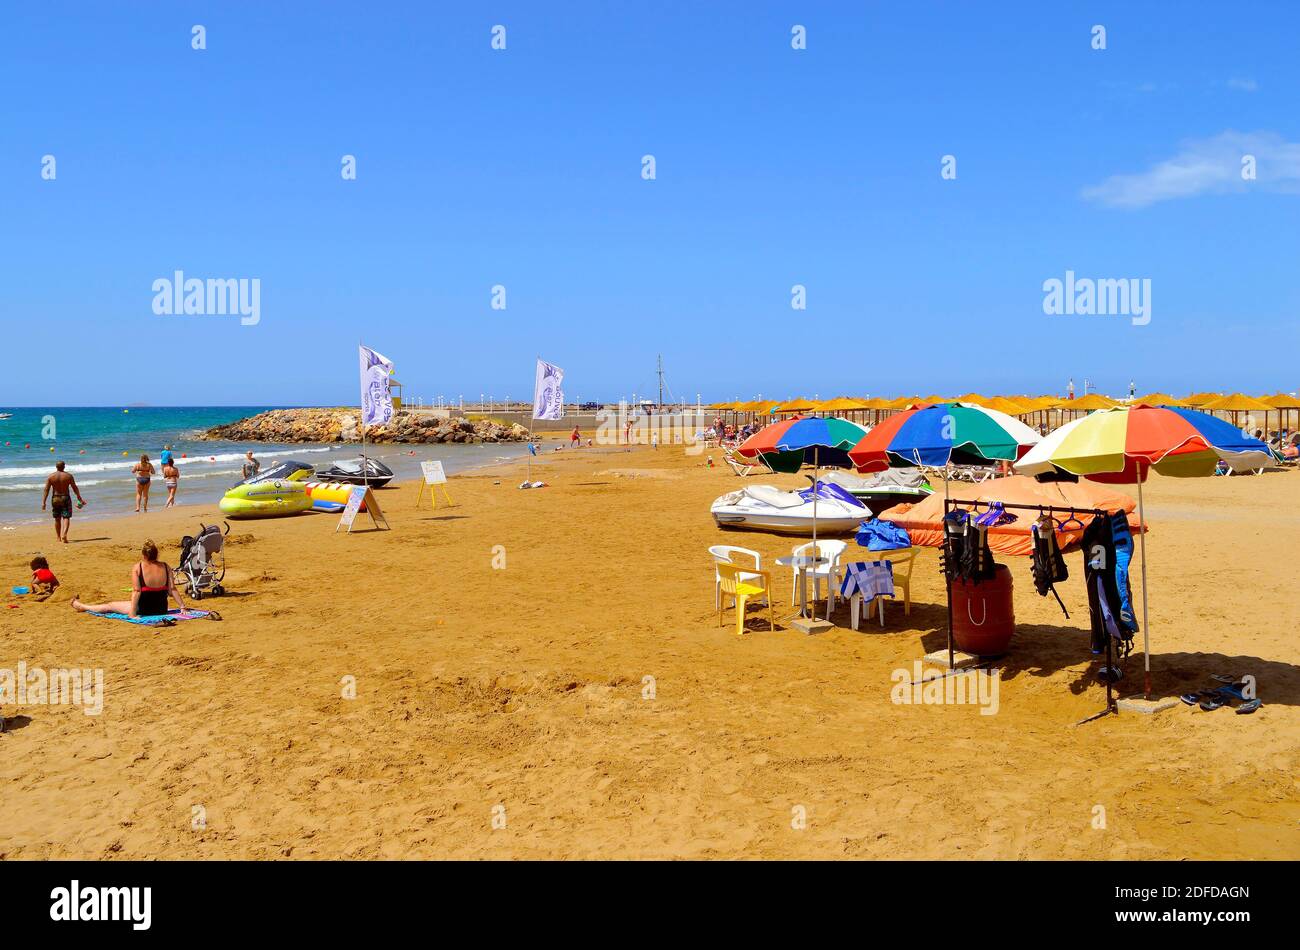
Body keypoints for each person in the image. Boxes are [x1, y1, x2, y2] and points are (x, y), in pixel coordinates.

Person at [71, 539, 188, 619]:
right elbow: (172, 589)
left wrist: (132, 613)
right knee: (116, 605)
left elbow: (136, 592)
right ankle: (83, 606)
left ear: (144, 555)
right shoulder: (166, 566)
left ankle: (83, 607)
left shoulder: (138, 567)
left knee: (110, 606)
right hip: (161, 609)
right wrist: (182, 607)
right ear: (156, 554)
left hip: (143, 610)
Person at [41, 460, 85, 543]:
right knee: (66, 517)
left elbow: (46, 490)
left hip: (55, 498)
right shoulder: (68, 476)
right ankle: (64, 534)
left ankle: (58, 537)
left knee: (57, 519)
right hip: (65, 497)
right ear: (64, 466)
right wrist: (79, 497)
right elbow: (74, 488)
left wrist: (44, 502)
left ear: (56, 467)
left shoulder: (51, 476)